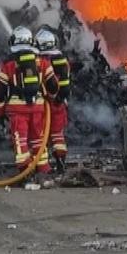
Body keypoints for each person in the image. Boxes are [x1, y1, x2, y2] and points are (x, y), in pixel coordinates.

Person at [0, 26, 52, 180]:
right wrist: (50, 97)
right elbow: (53, 85)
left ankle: (25, 172)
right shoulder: (42, 61)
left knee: (21, 140)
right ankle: (44, 169)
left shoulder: (7, 64)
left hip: (17, 109)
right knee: (39, 138)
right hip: (38, 107)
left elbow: (0, 91)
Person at [35, 26, 72, 173]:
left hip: (42, 103)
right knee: (57, 134)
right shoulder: (62, 60)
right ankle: (60, 162)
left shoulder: (39, 61)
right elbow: (65, 84)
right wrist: (60, 99)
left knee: (40, 134)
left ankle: (43, 166)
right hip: (58, 103)